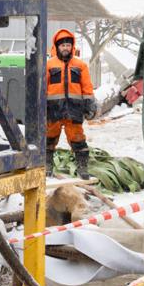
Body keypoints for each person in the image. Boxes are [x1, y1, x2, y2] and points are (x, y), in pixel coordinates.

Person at [45, 29, 96, 177]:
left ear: (72, 47)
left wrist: (90, 105)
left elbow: (87, 87)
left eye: (68, 45)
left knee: (78, 140)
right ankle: (47, 166)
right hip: (53, 110)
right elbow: (42, 87)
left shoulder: (81, 65)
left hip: (74, 110)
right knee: (49, 139)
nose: (65, 48)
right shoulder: (48, 65)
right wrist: (40, 108)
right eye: (63, 45)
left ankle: (82, 168)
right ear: (57, 46)